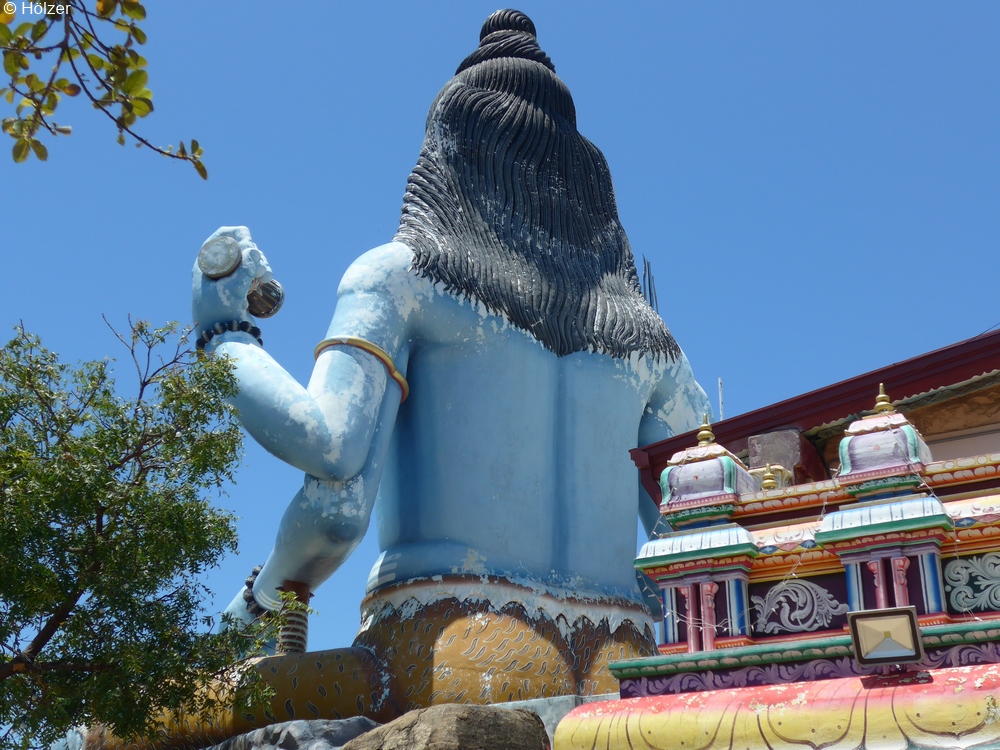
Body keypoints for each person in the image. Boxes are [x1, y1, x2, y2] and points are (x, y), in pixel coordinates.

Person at [192, 9, 710, 713]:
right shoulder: (653, 344)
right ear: (590, 186)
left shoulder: (401, 277)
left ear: (448, 152)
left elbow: (330, 463)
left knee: (128, 718)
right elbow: (699, 526)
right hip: (622, 663)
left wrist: (223, 329)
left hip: (451, 647)